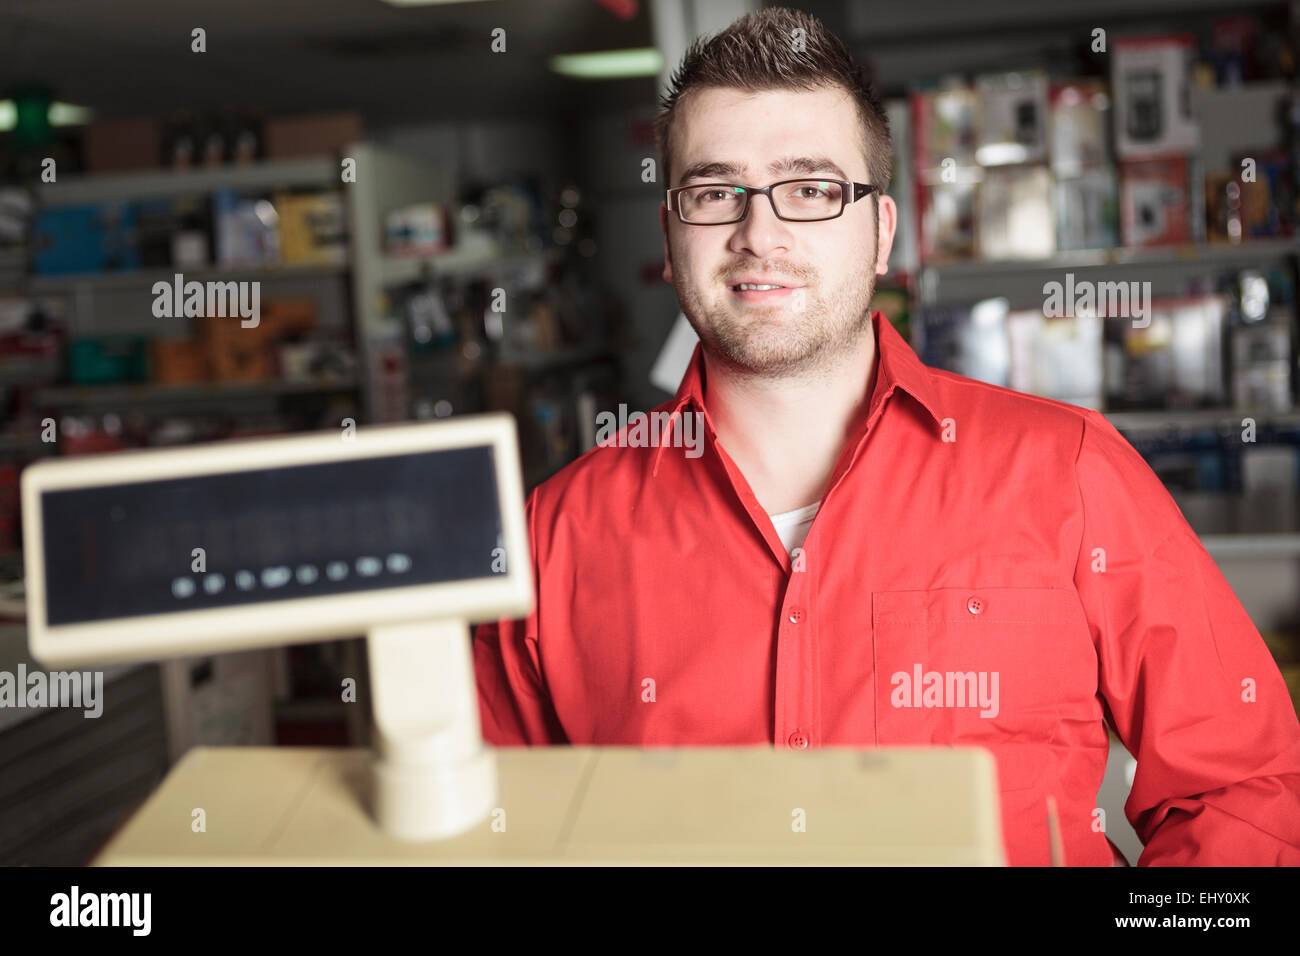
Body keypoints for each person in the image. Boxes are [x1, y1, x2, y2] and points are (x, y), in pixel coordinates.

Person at [473, 7, 1300, 865]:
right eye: (716, 192)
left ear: (881, 233)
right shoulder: (555, 538)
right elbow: (491, 836)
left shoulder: (1069, 474)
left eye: (812, 189)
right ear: (673, 234)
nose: (761, 234)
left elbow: (1245, 792)